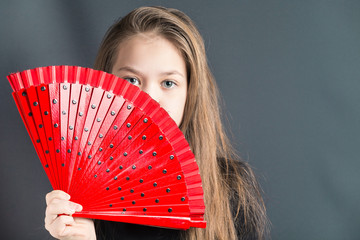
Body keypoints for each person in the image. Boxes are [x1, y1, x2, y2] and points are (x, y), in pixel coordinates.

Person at [44, 6, 269, 240]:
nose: (148, 100)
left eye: (168, 83)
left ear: (190, 94)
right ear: (104, 88)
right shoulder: (79, 200)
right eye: (131, 80)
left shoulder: (231, 190)